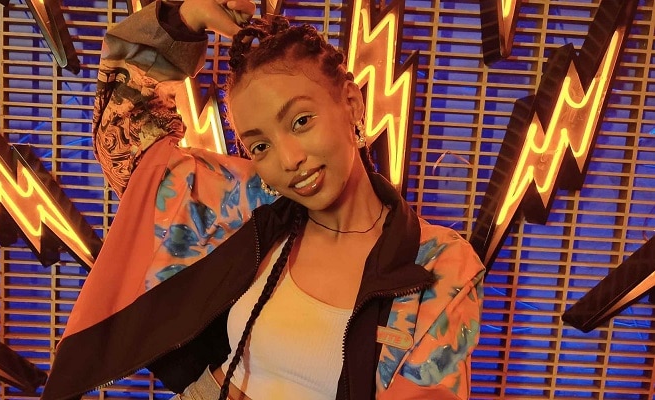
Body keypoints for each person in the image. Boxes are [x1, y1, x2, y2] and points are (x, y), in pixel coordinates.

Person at [42, 1, 485, 399]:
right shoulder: (249, 205)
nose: (289, 160)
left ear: (351, 102)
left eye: (301, 121)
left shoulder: (438, 264)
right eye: (259, 146)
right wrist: (184, 20)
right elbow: (126, 139)